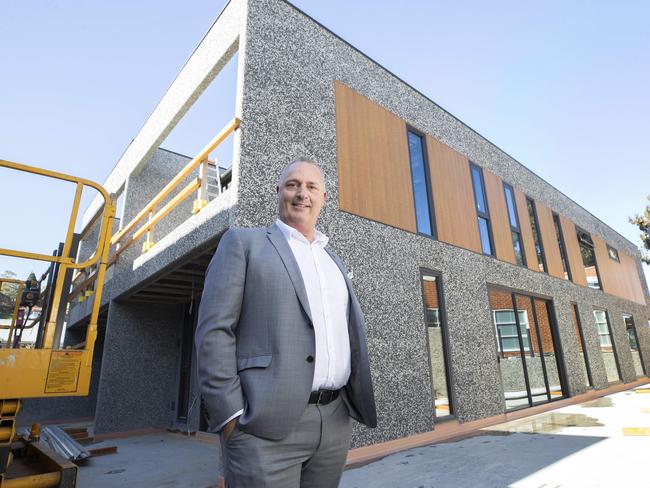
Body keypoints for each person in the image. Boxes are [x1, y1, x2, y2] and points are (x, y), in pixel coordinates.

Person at [195, 158, 377, 487]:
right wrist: (231, 416)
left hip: (334, 420)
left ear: (323, 197)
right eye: (292, 185)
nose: (301, 193)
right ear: (278, 192)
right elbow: (214, 332)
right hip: (262, 427)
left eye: (311, 187)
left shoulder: (332, 260)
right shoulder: (243, 243)